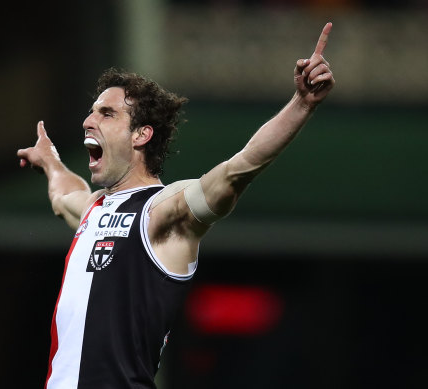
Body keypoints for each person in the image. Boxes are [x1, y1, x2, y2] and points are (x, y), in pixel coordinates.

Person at [17, 22, 335, 389]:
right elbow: (62, 197)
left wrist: (301, 104)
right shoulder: (94, 210)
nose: (88, 121)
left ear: (141, 134)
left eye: (107, 113)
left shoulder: (160, 212)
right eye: (92, 112)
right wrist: (50, 162)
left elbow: (237, 170)